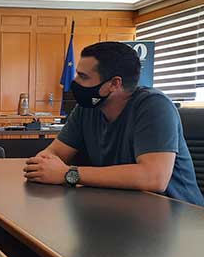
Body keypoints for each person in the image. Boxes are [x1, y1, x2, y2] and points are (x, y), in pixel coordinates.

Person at [23, 41, 204, 206]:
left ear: (114, 83)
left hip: (177, 215)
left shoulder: (154, 106)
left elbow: (154, 177)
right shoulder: (87, 108)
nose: (74, 82)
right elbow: (52, 155)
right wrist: (45, 164)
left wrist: (68, 174)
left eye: (83, 76)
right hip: (120, 208)